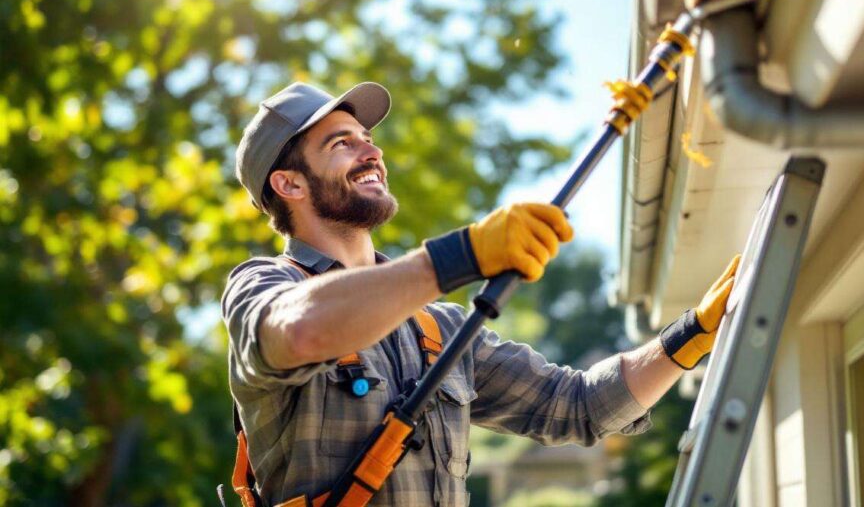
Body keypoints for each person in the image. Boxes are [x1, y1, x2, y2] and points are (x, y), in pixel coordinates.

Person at [222, 81, 739, 507]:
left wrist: (690, 337)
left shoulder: (440, 330)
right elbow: (300, 330)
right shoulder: (264, 286)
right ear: (290, 185)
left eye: (367, 138)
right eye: (341, 143)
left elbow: (579, 404)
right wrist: (460, 257)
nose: (373, 151)